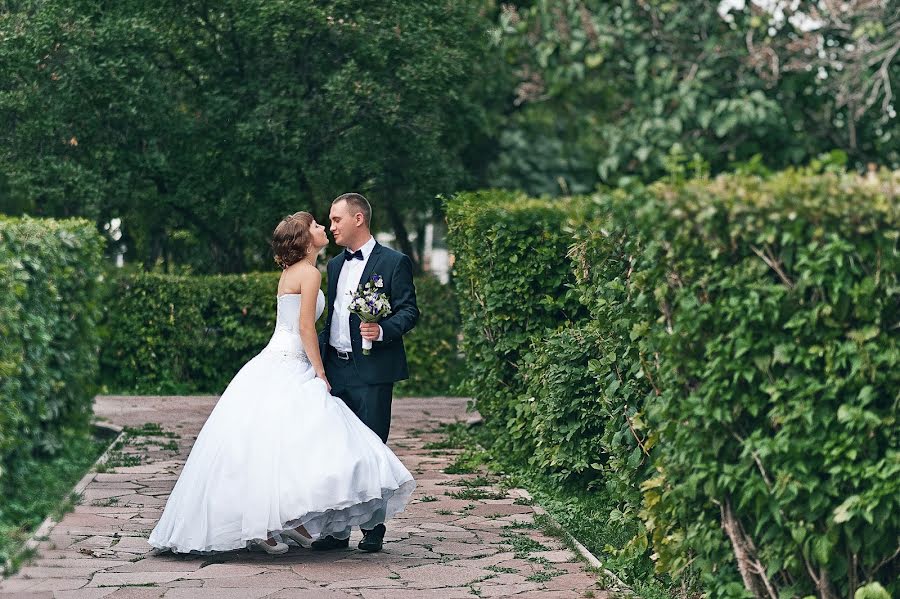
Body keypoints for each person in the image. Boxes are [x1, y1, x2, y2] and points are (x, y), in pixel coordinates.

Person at [148, 211, 415, 555]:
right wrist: (320, 371)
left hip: (293, 358)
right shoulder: (315, 271)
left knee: (283, 442)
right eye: (319, 225)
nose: (326, 228)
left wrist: (375, 331)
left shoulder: (300, 271)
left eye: (331, 221)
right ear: (305, 239)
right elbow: (306, 327)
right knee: (301, 441)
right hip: (296, 359)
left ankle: (306, 523)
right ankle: (278, 523)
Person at [313, 192, 419, 553]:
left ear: (358, 219)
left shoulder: (394, 262)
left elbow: (409, 311)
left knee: (371, 449)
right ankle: (337, 531)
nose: (331, 227)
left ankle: (373, 527)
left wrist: (384, 329)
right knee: (335, 452)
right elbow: (331, 320)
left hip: (373, 372)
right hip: (335, 370)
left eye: (336, 219)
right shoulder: (333, 267)